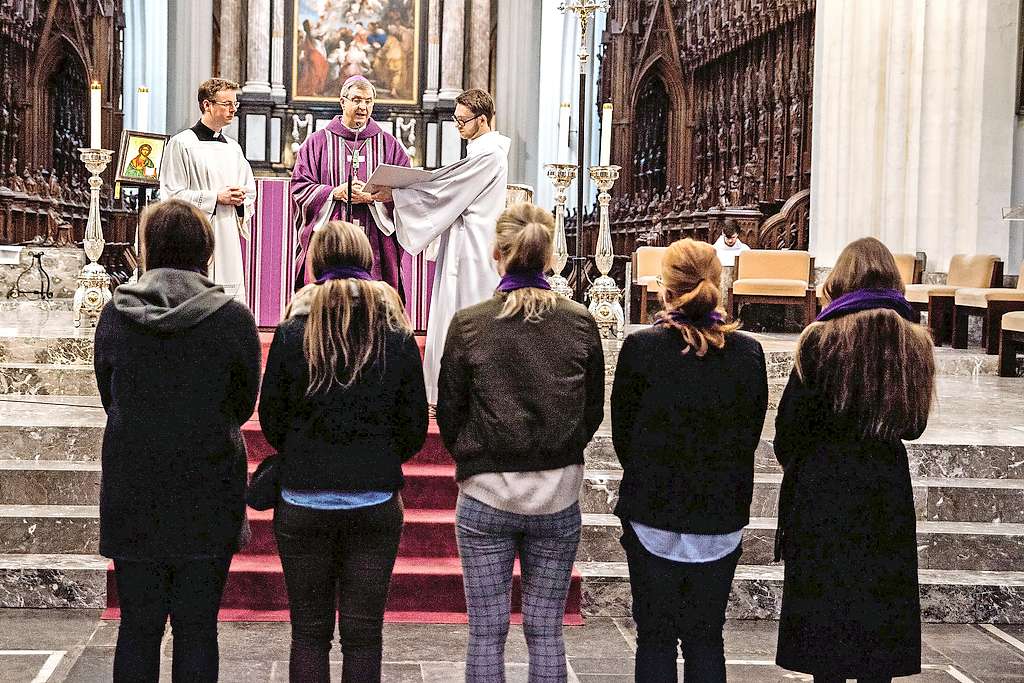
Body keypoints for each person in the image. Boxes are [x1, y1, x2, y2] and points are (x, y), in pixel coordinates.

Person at [94, 199, 261, 682]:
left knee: (138, 628)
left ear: (148, 248)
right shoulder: (231, 318)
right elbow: (243, 403)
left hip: (134, 484)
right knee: (197, 629)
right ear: (205, 248)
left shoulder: (117, 314)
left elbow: (110, 395)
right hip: (208, 485)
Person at [436, 202, 605, 682]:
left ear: (497, 253)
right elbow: (591, 408)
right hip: (556, 493)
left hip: (486, 491)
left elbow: (450, 410)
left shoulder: (471, 323)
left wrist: (474, 456)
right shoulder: (578, 321)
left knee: (486, 631)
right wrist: (562, 452)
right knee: (547, 630)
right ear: (550, 257)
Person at [258, 220, 428, 682]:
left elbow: (271, 422)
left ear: (314, 261)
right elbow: (414, 426)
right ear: (369, 262)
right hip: (373, 499)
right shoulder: (394, 332)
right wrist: (378, 457)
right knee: (364, 635)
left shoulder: (293, 332)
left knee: (308, 634)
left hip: (303, 498)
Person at [774, 237, 935, 682]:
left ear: (840, 279)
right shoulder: (914, 341)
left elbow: (789, 430)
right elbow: (914, 425)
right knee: (877, 605)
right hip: (884, 486)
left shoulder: (819, 339)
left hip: (823, 486)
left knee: (825, 611)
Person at [611, 238, 769, 682]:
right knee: (706, 638)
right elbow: (749, 435)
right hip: (718, 514)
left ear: (664, 287)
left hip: (653, 512)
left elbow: (624, 434)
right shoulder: (746, 353)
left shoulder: (642, 349)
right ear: (719, 283)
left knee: (655, 638)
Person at [381, 88, 510, 405]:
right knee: (452, 310)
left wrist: (398, 193)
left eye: (462, 120)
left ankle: (461, 393)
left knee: (463, 310)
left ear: (482, 120)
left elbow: (447, 188)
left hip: (474, 248)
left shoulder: (489, 154)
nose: (457, 126)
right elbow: (448, 186)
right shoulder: (481, 151)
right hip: (464, 241)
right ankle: (448, 389)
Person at [291, 75, 411, 295]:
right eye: (356, 100)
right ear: (342, 101)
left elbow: (407, 191)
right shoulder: (316, 143)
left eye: (368, 101)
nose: (363, 107)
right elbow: (299, 186)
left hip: (375, 236)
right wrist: (333, 193)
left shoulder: (390, 145)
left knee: (373, 299)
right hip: (330, 237)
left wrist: (373, 199)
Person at [160, 78, 256, 302]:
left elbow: (249, 190)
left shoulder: (234, 148)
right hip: (196, 233)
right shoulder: (182, 143)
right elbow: (172, 195)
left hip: (228, 234)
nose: (233, 109)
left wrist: (240, 200)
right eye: (227, 104)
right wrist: (215, 198)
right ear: (207, 105)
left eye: (235, 104)